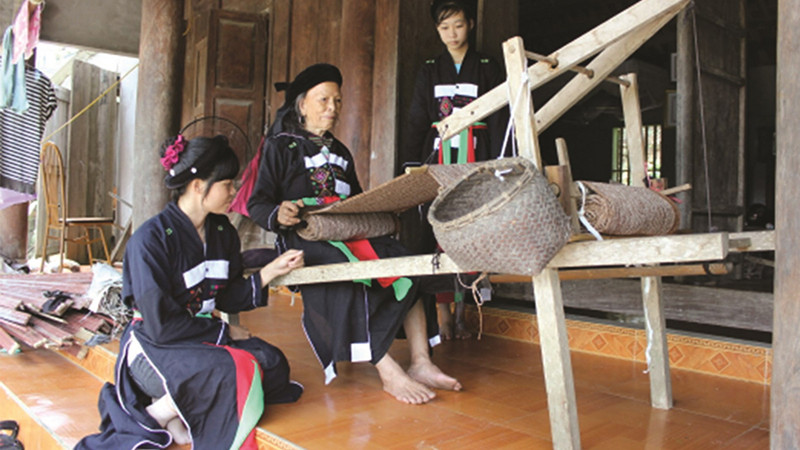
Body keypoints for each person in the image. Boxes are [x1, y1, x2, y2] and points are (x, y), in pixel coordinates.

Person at [247, 63, 461, 405]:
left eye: (337, 101)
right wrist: (279, 214)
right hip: (306, 236)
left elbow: (358, 200)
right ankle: (388, 369)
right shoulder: (280, 147)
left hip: (347, 230)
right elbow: (258, 202)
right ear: (302, 104)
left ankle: (422, 361)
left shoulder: (342, 152)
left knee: (406, 259)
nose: (332, 108)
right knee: (346, 272)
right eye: (323, 100)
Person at [77, 134, 305, 450]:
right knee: (230, 369)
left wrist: (271, 271)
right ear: (199, 187)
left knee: (272, 362)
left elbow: (227, 296)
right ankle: (158, 414)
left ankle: (182, 410)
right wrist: (225, 331)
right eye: (227, 184)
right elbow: (160, 324)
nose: (234, 191)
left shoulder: (223, 232)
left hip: (201, 338)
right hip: (156, 345)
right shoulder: (150, 240)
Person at [400, 0, 506, 340]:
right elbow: (418, 117)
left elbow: (503, 117)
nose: (452, 33)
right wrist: (411, 162)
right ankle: (444, 314)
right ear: (437, 30)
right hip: (439, 160)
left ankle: (466, 309)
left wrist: (504, 160)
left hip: (478, 158)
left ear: (470, 24)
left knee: (474, 231)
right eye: (445, 27)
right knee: (436, 233)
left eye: (458, 25)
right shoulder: (430, 69)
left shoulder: (488, 66)